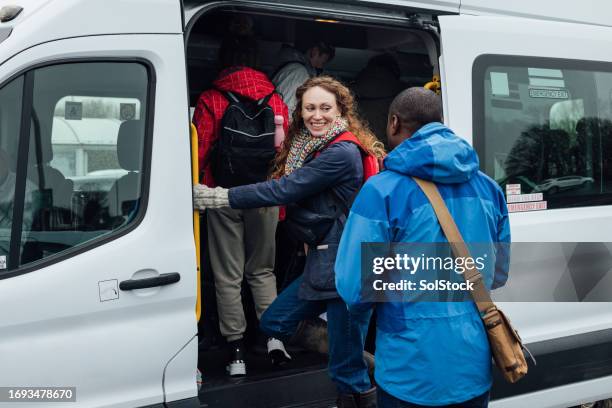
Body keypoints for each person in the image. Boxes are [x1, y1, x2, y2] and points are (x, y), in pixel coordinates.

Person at [194, 76, 384, 407]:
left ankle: (356, 368)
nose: (316, 115)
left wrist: (219, 197)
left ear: (340, 110)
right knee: (273, 321)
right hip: (327, 264)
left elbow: (285, 189)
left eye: (325, 108)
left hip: (347, 268)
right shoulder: (317, 147)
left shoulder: (340, 153)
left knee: (344, 370)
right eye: (309, 108)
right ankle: (357, 352)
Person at [335, 88, 511, 408]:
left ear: (393, 122)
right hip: (472, 367)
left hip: (410, 370)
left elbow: (354, 287)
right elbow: (497, 274)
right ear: (441, 123)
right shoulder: (488, 188)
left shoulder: (381, 191)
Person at [192, 22, 290, 376]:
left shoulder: (211, 97)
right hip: (264, 194)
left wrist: (198, 189)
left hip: (223, 195)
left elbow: (199, 149)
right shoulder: (275, 98)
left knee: (227, 275)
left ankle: (235, 353)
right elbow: (285, 153)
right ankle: (274, 338)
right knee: (262, 269)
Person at [353, 53, 406, 147]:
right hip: (388, 148)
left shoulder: (352, 89)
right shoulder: (404, 92)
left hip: (359, 146)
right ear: (394, 70)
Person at [272, 41, 335, 117]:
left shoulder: (294, 69)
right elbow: (286, 109)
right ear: (315, 52)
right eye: (322, 62)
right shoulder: (299, 72)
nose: (320, 67)